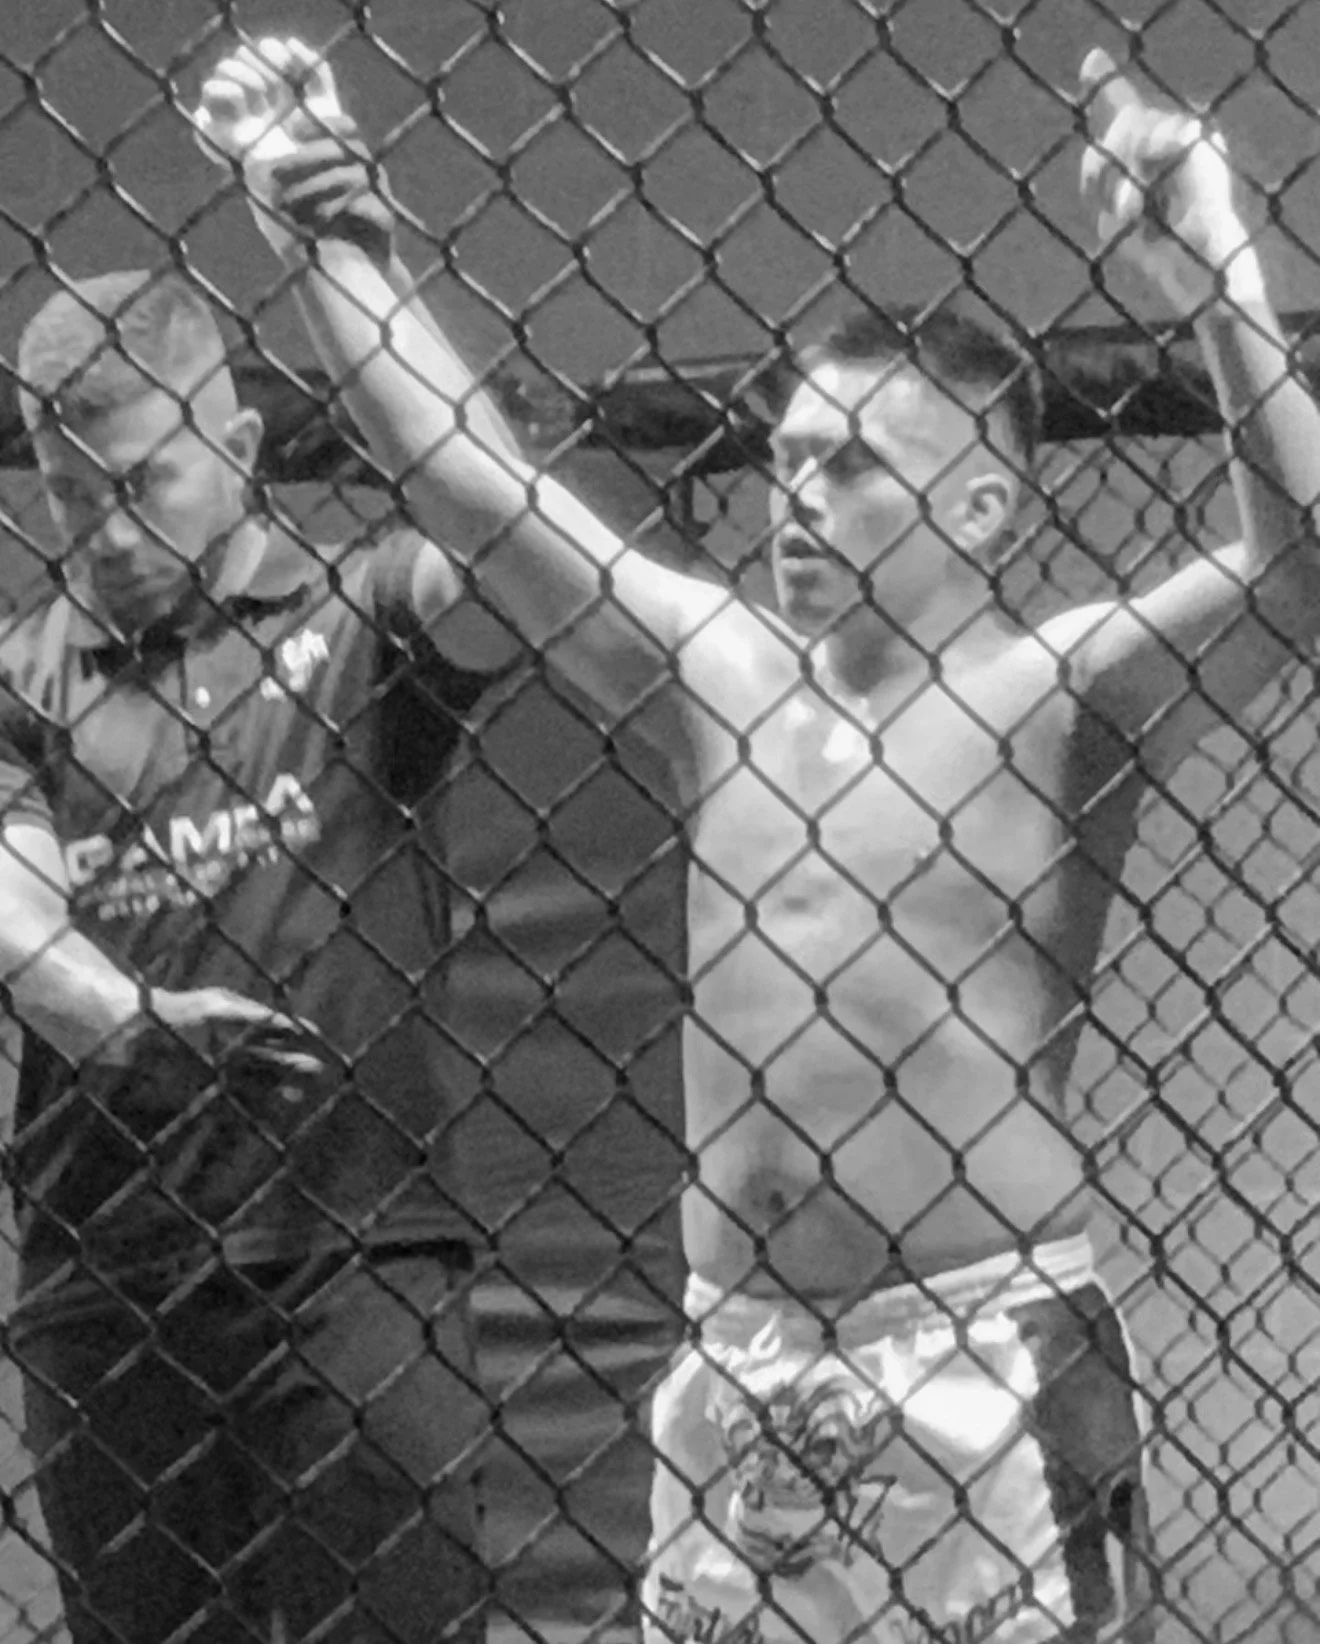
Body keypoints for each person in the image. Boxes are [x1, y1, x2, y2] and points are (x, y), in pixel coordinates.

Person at [196, 38, 1320, 1644]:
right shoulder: (717, 668)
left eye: (853, 467)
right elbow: (472, 484)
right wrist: (321, 223)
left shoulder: (1063, 691)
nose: (797, 493)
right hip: (741, 1357)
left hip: (981, 1347)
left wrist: (1212, 258)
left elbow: (1305, 567)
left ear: (984, 509)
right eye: (785, 456)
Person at [0, 265, 524, 1643]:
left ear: (236, 450)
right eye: (69, 494)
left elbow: (511, 546)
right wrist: (111, 1015)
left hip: (349, 1250)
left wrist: (342, 256)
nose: (107, 531)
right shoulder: (23, 677)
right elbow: (9, 901)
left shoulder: (358, 618)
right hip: (105, 1276)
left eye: (146, 480)